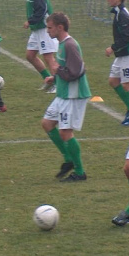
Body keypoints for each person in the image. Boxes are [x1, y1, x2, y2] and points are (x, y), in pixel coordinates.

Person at [41, 12, 91, 182]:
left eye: (50, 28)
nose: (47, 31)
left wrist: (56, 70)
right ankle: (68, 159)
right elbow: (65, 68)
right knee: (47, 123)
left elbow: (76, 72)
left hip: (73, 96)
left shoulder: (70, 45)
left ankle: (80, 172)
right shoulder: (61, 44)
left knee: (65, 132)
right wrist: (54, 77)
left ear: (60, 27)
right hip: (63, 94)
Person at [14, 0, 58, 94]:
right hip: (36, 29)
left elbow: (42, 9)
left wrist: (30, 21)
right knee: (30, 55)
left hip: (44, 28)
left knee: (48, 57)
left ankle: (58, 84)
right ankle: (48, 80)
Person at [105, 0, 129, 126]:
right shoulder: (119, 12)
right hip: (122, 56)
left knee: (127, 84)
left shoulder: (123, 15)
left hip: (127, 56)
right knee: (113, 81)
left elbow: (127, 36)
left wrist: (112, 48)